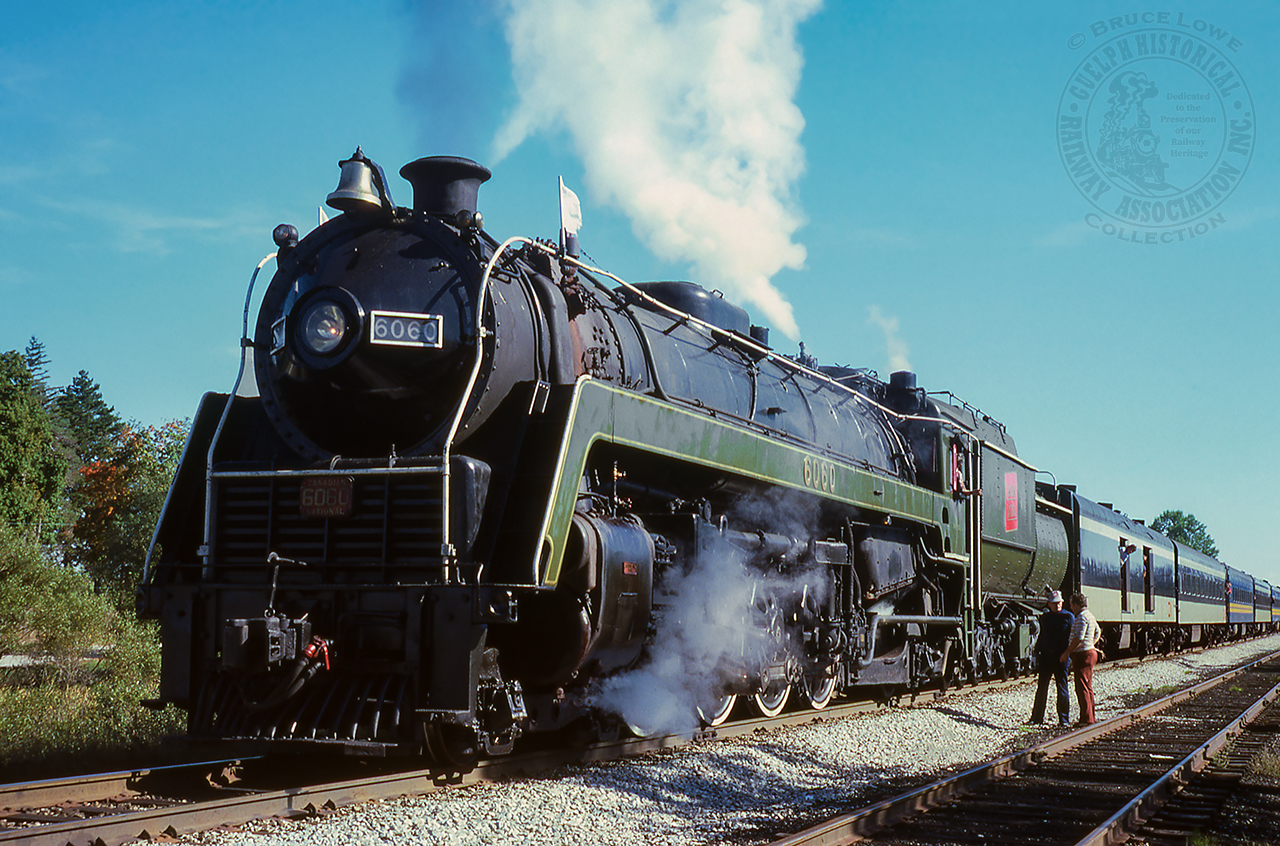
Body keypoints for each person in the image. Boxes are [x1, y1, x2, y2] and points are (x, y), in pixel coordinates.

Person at [1029, 590, 1074, 727]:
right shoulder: (1045, 618)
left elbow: (1072, 636)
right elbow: (1042, 635)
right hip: (1047, 656)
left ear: (1062, 602)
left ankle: (1064, 719)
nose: (1057, 606)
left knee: (1062, 687)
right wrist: (1037, 652)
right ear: (1049, 604)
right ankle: (1037, 718)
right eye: (1054, 604)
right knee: (1042, 687)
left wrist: (1068, 654)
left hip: (1061, 656)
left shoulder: (1068, 617)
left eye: (1059, 603)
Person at [1061, 592, 1102, 725]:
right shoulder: (1090, 615)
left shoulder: (1081, 618)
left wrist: (1067, 652)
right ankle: (1091, 716)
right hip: (1090, 652)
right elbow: (1097, 631)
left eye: (1072, 604)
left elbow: (1078, 637)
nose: (1071, 607)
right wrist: (1091, 644)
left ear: (1077, 604)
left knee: (1082, 687)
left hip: (1082, 655)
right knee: (1088, 686)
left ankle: (1086, 719)